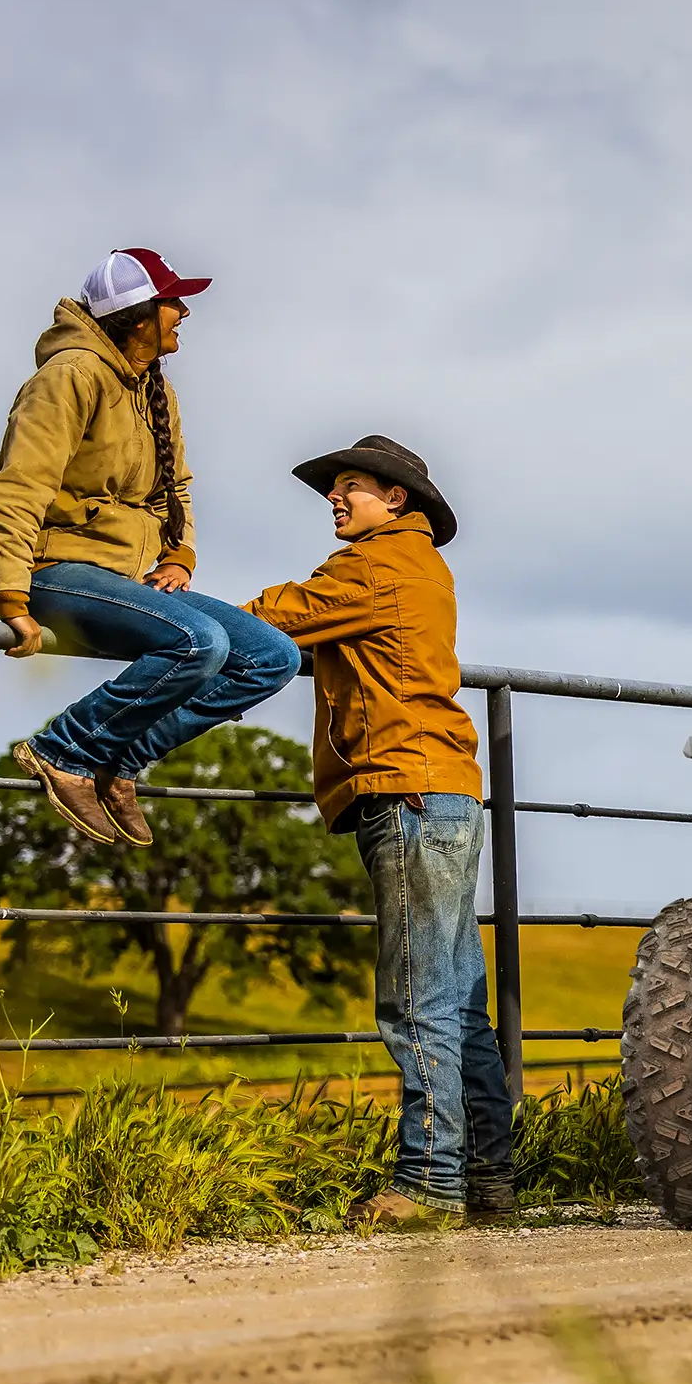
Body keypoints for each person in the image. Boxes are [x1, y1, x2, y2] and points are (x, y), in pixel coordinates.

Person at [246, 436, 511, 1228]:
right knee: (459, 1000)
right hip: (449, 788)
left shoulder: (374, 565)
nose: (334, 497)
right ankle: (488, 1175)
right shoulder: (423, 564)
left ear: (395, 498)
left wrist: (186, 623)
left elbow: (278, 617)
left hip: (405, 790)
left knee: (415, 998)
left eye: (350, 485)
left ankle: (429, 1182)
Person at [0, 249, 300, 846]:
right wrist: (11, 595)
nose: (184, 312)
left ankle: (119, 763)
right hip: (55, 570)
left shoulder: (157, 390)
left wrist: (179, 554)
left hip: (123, 582)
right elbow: (18, 486)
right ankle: (64, 750)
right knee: (201, 641)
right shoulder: (70, 377)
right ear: (138, 315)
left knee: (273, 657)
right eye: (173, 302)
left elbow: (175, 488)